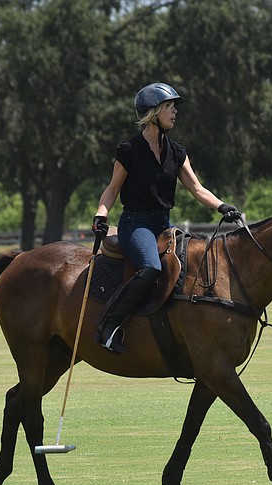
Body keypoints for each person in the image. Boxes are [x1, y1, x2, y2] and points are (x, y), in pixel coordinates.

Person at [92, 82, 242, 353]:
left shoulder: (176, 151)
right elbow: (112, 189)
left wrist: (223, 206)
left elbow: (197, 188)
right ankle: (109, 326)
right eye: (169, 107)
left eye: (174, 108)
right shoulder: (129, 150)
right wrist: (101, 214)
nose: (175, 113)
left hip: (164, 225)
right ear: (153, 112)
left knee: (192, 264)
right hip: (136, 224)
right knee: (150, 267)